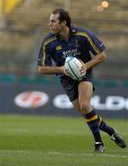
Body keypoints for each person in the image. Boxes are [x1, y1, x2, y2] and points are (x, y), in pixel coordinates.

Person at [37, 8, 126, 153]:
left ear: (64, 22)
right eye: (49, 21)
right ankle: (111, 132)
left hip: (84, 73)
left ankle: (98, 143)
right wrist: (61, 69)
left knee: (85, 105)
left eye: (53, 21)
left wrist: (86, 66)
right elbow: (41, 69)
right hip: (66, 79)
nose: (50, 24)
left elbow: (102, 55)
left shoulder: (83, 35)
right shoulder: (48, 42)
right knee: (88, 114)